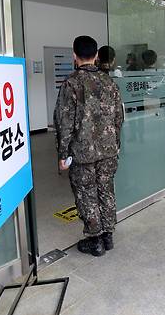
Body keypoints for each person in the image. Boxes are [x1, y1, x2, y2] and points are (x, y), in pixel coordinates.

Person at [54, 36, 124, 257]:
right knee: (106, 190)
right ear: (95, 56)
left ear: (74, 55)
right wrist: (116, 144)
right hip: (108, 150)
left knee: (86, 193)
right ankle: (108, 235)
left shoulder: (71, 83)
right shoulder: (109, 82)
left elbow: (63, 122)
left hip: (82, 153)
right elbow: (119, 117)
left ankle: (94, 240)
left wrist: (63, 154)